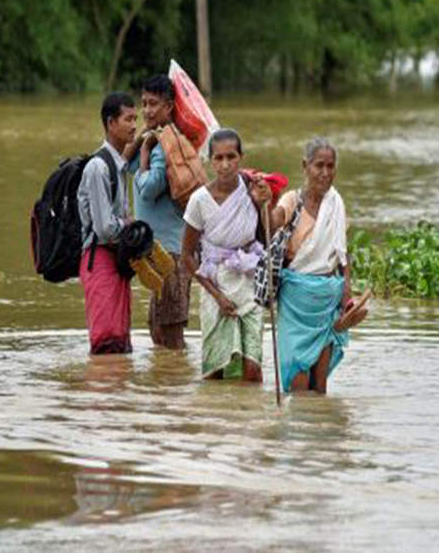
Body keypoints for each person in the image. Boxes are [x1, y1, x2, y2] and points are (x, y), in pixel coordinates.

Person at [264, 137, 362, 394]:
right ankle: (300, 430)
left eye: (331, 166)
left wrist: (347, 290)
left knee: (319, 388)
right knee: (297, 378)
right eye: (319, 165)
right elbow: (273, 221)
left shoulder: (336, 203)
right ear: (305, 166)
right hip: (296, 302)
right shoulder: (292, 201)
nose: (325, 173)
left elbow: (342, 252)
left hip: (327, 302)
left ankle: (318, 429)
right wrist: (264, 201)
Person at [181, 129, 272, 381]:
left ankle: (249, 416)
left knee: (252, 369)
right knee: (215, 368)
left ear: (241, 157)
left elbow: (266, 239)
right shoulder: (199, 201)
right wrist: (217, 296)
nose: (225, 165)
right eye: (218, 158)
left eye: (231, 157)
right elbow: (187, 257)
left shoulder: (253, 191)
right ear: (210, 161)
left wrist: (264, 203)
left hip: (248, 283)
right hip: (215, 284)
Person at [124, 75, 191, 349]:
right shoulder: (154, 140)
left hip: (172, 254)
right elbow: (123, 164)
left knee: (170, 336)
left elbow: (149, 187)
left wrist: (145, 153)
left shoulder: (165, 145)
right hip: (161, 254)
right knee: (158, 331)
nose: (147, 111)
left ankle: (176, 387)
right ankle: (165, 387)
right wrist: (142, 138)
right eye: (144, 104)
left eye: (154, 104)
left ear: (169, 106)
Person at [77, 92, 137, 354]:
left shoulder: (119, 165)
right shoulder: (98, 168)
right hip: (99, 258)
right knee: (105, 341)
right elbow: (104, 228)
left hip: (116, 260)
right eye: (128, 119)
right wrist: (129, 224)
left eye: (136, 119)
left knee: (120, 343)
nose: (135, 125)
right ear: (111, 123)